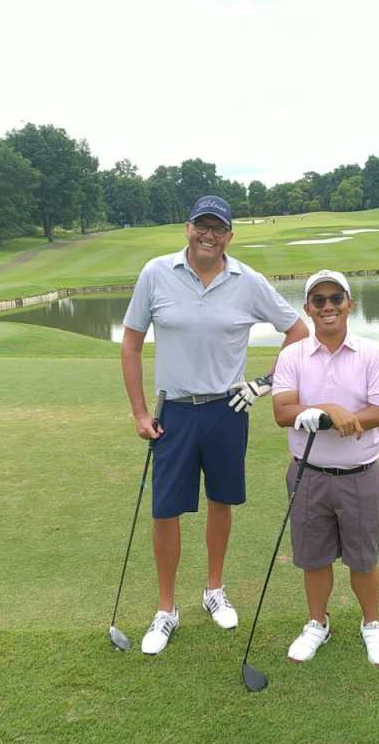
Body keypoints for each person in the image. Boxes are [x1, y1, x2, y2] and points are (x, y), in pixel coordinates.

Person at [121, 195, 308, 656]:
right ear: (188, 228)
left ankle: (214, 590)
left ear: (229, 235)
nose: (209, 235)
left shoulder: (248, 281)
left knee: (221, 501)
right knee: (165, 510)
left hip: (228, 409)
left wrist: (264, 383)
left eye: (218, 229)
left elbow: (298, 331)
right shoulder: (156, 273)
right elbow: (131, 344)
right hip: (174, 411)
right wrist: (141, 413)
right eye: (202, 226)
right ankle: (166, 609)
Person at [271, 269, 379, 666]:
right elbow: (282, 412)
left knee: (363, 559)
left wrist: (337, 417)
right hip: (308, 475)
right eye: (319, 300)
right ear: (307, 308)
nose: (328, 307)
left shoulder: (373, 353)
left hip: (361, 474)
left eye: (336, 299)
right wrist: (329, 410)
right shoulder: (292, 355)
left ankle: (371, 624)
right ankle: (317, 623)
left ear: (349, 304)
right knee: (314, 557)